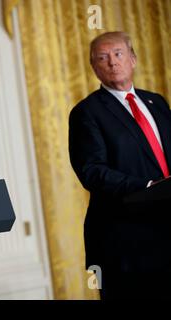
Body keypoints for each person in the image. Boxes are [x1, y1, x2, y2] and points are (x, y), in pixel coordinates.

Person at [69, 31, 171, 299]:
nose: (112, 62)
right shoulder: (86, 113)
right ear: (94, 68)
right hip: (124, 242)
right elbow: (92, 171)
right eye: (102, 58)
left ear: (133, 59)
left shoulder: (157, 102)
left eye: (118, 54)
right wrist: (148, 187)